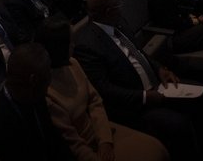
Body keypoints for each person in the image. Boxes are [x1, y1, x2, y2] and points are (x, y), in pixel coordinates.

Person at [37, 16, 170, 161]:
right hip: (82, 147)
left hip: (100, 130)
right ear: (59, 47)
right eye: (70, 42)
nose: (74, 45)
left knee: (156, 148)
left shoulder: (73, 63)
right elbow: (71, 143)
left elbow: (94, 100)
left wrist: (105, 140)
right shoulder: (46, 90)